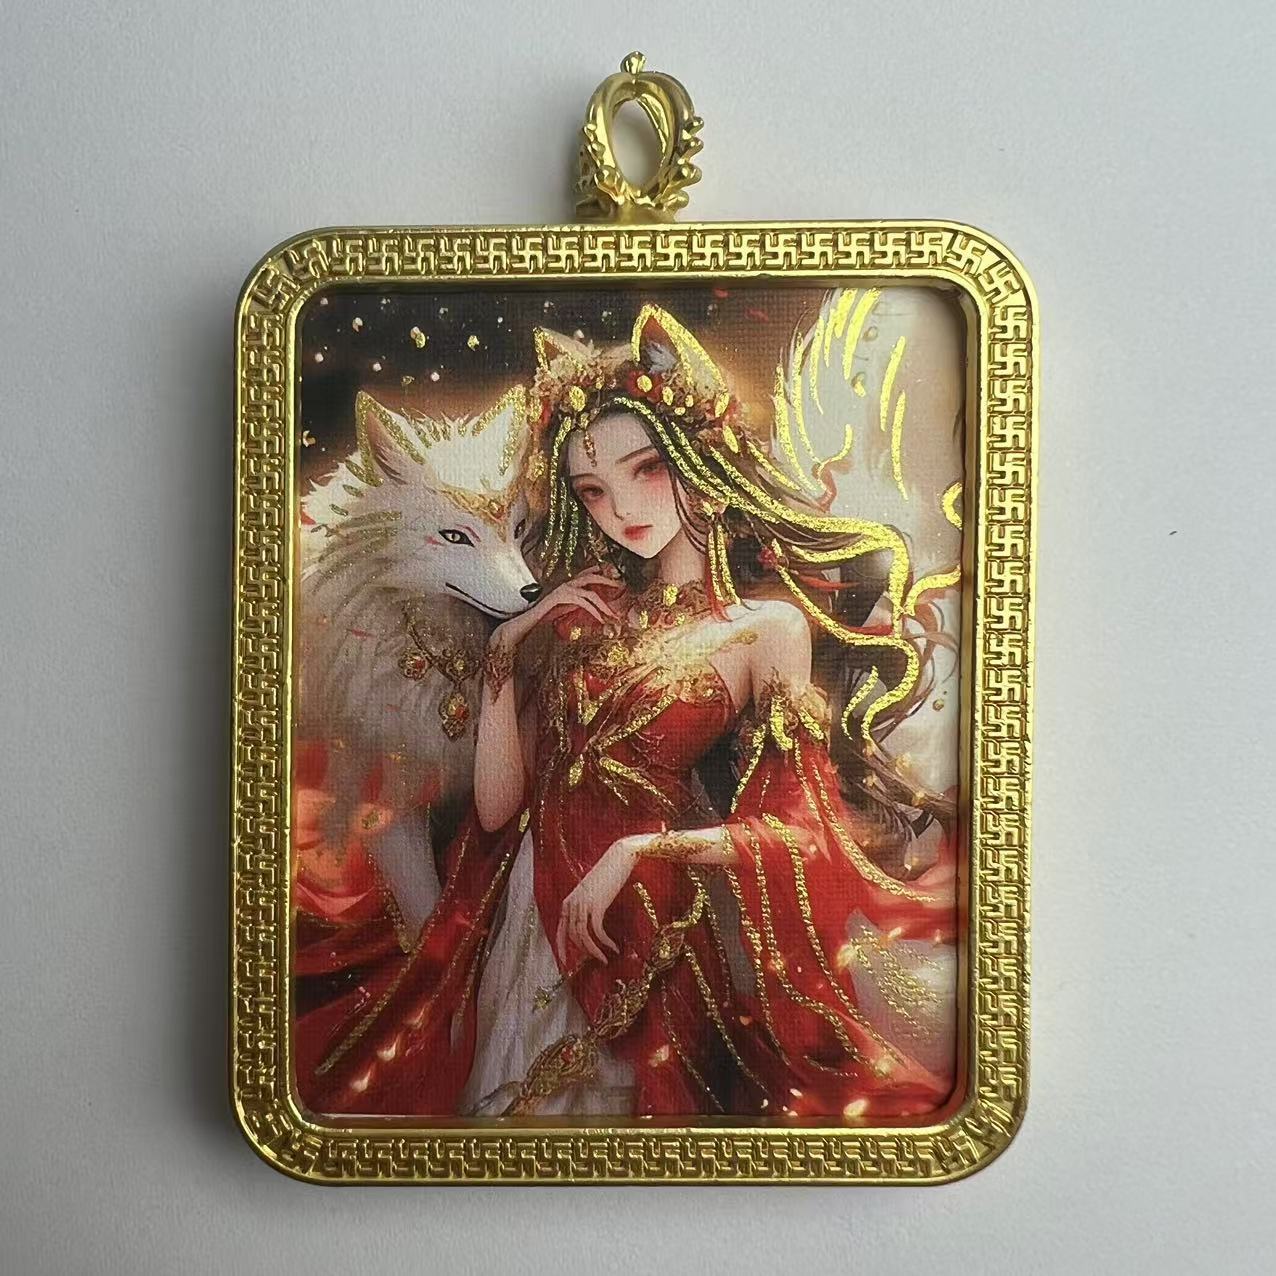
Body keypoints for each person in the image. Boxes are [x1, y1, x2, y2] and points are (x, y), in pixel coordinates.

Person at [308, 304, 958, 1120]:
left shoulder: (765, 629)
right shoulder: (581, 618)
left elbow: (798, 830)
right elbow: (499, 808)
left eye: (645, 468)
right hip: (529, 911)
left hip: (641, 917)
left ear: (697, 464)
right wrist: (505, 651)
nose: (620, 507)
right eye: (592, 490)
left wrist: (639, 849)